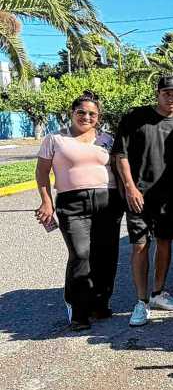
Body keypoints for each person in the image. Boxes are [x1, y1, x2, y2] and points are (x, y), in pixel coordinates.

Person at [34, 91, 124, 331]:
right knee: (81, 254)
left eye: (92, 114)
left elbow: (121, 168)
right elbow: (42, 174)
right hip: (71, 204)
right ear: (71, 114)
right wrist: (46, 202)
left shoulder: (107, 139)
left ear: (99, 117)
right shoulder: (55, 139)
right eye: (81, 112)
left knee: (106, 255)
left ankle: (100, 302)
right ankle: (78, 310)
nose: (86, 117)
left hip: (108, 200)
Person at [113, 76, 173, 327]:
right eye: (167, 93)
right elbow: (120, 155)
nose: (171, 98)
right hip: (139, 193)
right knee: (139, 245)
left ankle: (158, 293)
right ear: (157, 93)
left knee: (165, 243)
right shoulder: (135, 117)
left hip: (170, 196)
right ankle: (141, 301)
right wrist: (130, 187)